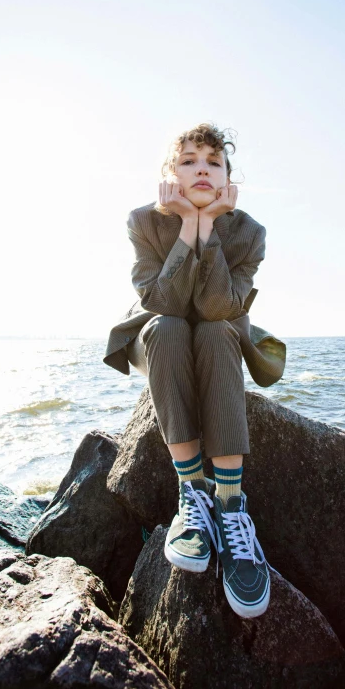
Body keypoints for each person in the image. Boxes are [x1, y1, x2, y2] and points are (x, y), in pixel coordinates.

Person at [103, 122, 286, 618]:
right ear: (169, 174)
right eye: (188, 160)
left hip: (215, 330)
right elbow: (165, 301)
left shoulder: (249, 232)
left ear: (228, 177)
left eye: (213, 161)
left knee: (217, 331)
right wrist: (187, 225)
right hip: (156, 335)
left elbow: (213, 307)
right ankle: (192, 492)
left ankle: (229, 507)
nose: (201, 168)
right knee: (167, 326)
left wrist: (211, 228)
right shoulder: (143, 221)